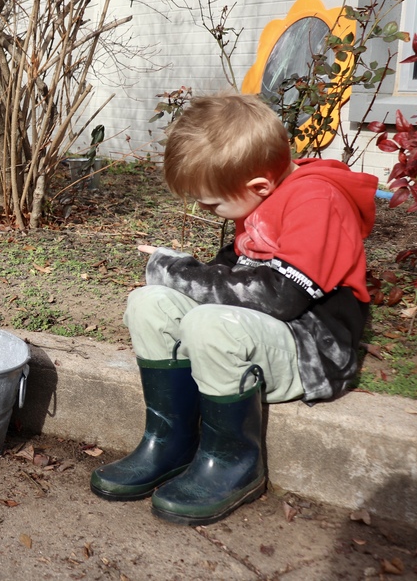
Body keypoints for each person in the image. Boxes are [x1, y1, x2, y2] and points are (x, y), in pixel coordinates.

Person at [91, 93, 377, 525]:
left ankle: (234, 461)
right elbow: (234, 273)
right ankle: (170, 441)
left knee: (209, 319)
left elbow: (279, 296)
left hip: (312, 354)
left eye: (212, 204)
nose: (207, 211)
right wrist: (178, 277)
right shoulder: (263, 198)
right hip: (267, 337)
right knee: (148, 302)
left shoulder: (318, 202)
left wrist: (180, 271)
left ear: (259, 185)